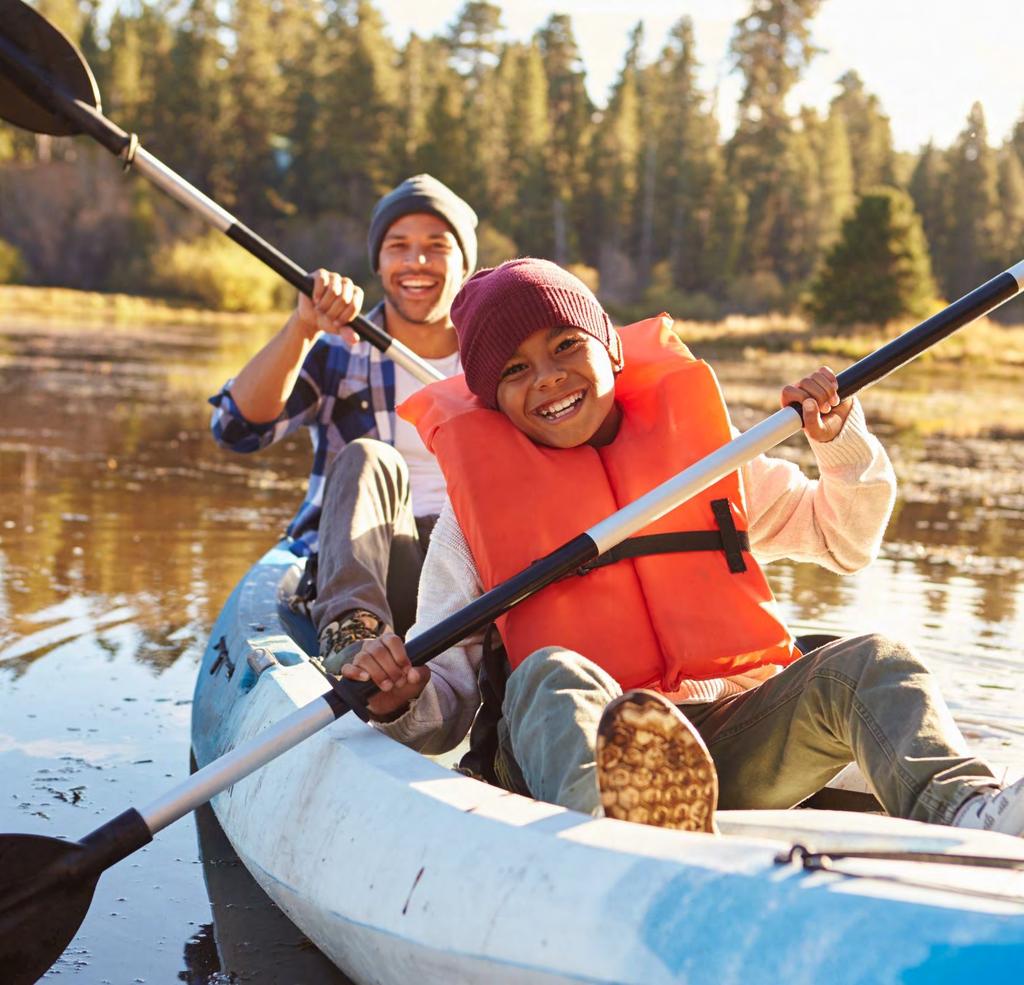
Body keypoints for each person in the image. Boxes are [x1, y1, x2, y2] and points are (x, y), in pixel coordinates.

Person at [338, 257, 1024, 839]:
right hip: (566, 752)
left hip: (725, 735)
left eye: (565, 346)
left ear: (610, 348)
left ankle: (968, 813)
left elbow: (843, 540)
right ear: (491, 401)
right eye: (515, 370)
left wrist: (837, 442)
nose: (547, 376)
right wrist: (405, 697)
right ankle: (613, 834)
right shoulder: (470, 519)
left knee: (872, 662)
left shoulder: (708, 463)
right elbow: (444, 710)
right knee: (549, 670)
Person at [209, 174, 478, 665]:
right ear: (378, 262)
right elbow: (235, 430)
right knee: (370, 457)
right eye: (399, 245)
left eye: (436, 246)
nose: (416, 261)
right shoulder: (338, 351)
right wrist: (303, 328)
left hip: (473, 573)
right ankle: (352, 633)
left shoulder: (496, 364)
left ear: (465, 264)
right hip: (375, 565)